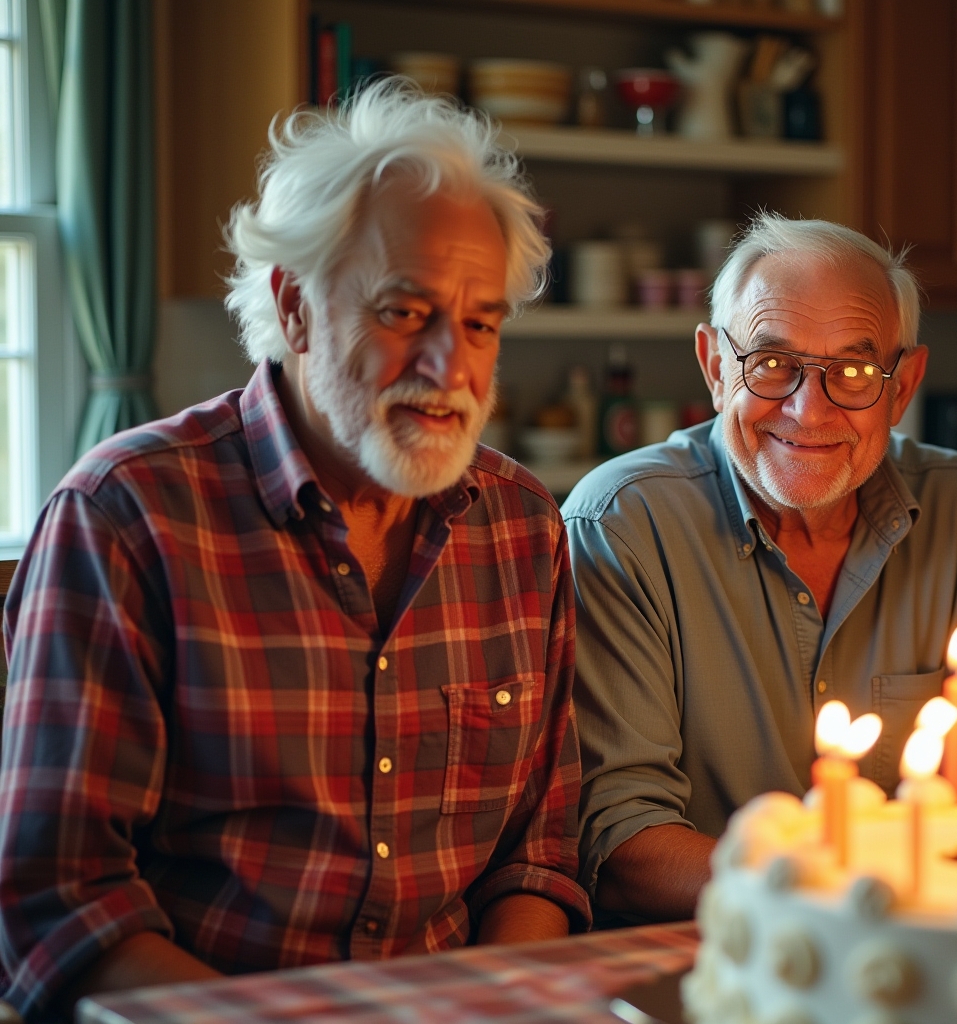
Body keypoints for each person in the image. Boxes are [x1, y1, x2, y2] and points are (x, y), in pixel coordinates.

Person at [0, 83, 589, 1019]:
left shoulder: (521, 525)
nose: (451, 366)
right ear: (297, 307)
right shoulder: (126, 516)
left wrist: (498, 1007)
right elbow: (57, 900)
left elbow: (538, 856)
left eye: (480, 323)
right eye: (405, 313)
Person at [566, 215, 957, 924]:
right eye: (770, 363)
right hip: (704, 966)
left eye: (853, 370)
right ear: (713, 365)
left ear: (903, 385)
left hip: (924, 956)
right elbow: (624, 844)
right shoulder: (623, 525)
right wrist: (852, 892)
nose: (807, 408)